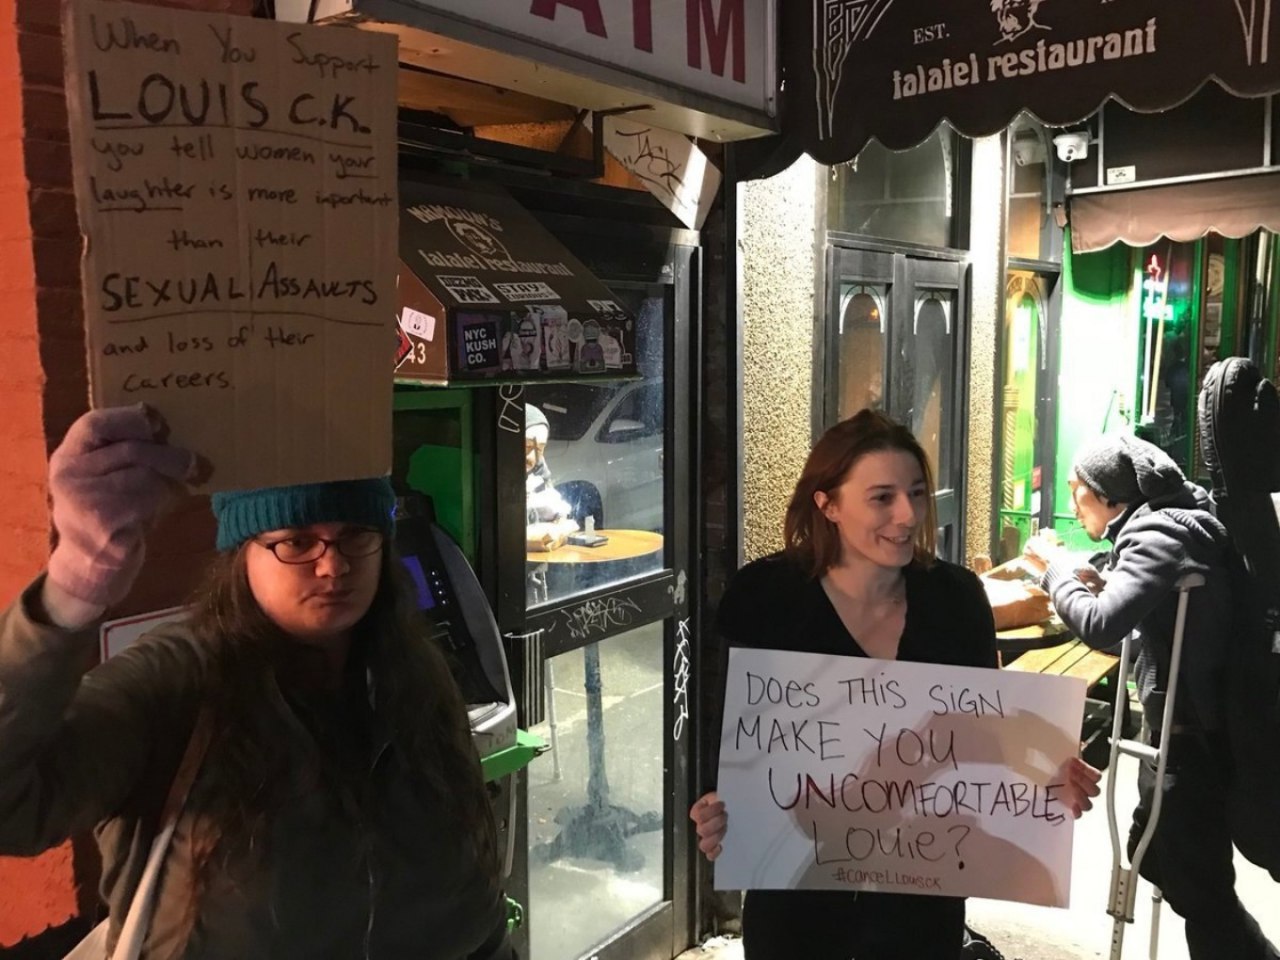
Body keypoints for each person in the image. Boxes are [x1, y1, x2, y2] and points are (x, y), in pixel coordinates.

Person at [0, 405, 512, 959]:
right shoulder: (178, 684)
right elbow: (13, 812)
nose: (333, 566)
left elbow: (474, 901)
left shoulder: (410, 671)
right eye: (296, 541)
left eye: (355, 535)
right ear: (243, 553)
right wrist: (70, 591)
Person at [689, 409, 1100, 960]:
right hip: (795, 903)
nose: (907, 514)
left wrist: (1048, 783)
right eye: (882, 497)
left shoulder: (956, 600)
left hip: (920, 904)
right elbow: (727, 744)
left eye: (917, 493)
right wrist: (712, 809)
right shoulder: (764, 598)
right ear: (828, 504)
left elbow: (986, 737)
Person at [1024, 434, 1279, 960]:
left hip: (1186, 742)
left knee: (1202, 895)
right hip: (1191, 732)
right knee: (1164, 859)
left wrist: (1055, 571)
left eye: (1076, 490)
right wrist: (1102, 580)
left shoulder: (1159, 535)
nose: (1073, 503)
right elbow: (1136, 618)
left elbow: (1100, 624)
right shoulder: (1167, 525)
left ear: (1106, 494)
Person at [524, 403, 572, 526]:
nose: (532, 457)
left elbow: (554, 508)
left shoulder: (539, 470)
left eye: (539, 448)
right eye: (527, 446)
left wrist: (559, 516)